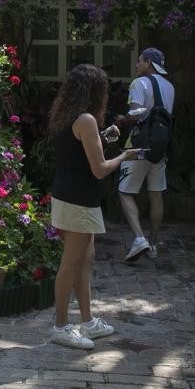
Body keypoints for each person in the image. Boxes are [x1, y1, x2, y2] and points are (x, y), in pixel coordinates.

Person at [46, 64, 143, 350]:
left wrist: (104, 137)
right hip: (78, 198)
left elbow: (80, 152)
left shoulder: (69, 116)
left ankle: (87, 321)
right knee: (71, 263)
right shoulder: (87, 119)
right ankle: (61, 326)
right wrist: (126, 155)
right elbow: (99, 169)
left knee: (85, 260)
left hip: (73, 195)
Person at [115, 47, 176, 262]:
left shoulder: (139, 83)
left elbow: (137, 114)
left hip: (139, 145)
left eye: (140, 61)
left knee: (124, 191)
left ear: (148, 62)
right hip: (160, 147)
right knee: (156, 193)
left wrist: (122, 120)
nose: (137, 65)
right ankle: (152, 243)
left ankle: (139, 239)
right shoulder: (170, 87)